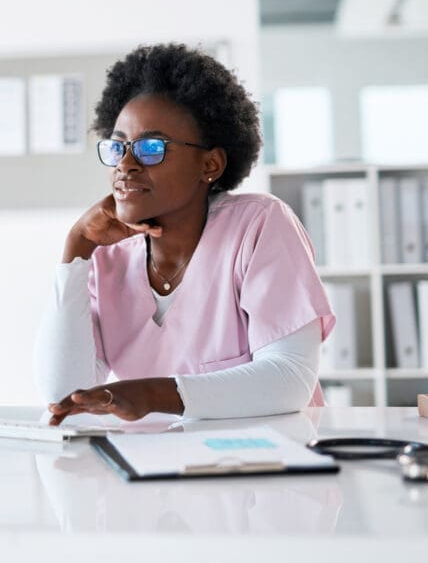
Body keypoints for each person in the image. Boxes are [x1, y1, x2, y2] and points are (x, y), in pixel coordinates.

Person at [34, 43, 335, 425]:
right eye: (118, 146)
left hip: (268, 467)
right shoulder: (108, 257)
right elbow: (63, 394)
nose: (125, 165)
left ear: (209, 164)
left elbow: (290, 378)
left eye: (151, 147)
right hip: (156, 470)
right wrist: (77, 247)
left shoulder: (259, 225)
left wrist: (152, 393)